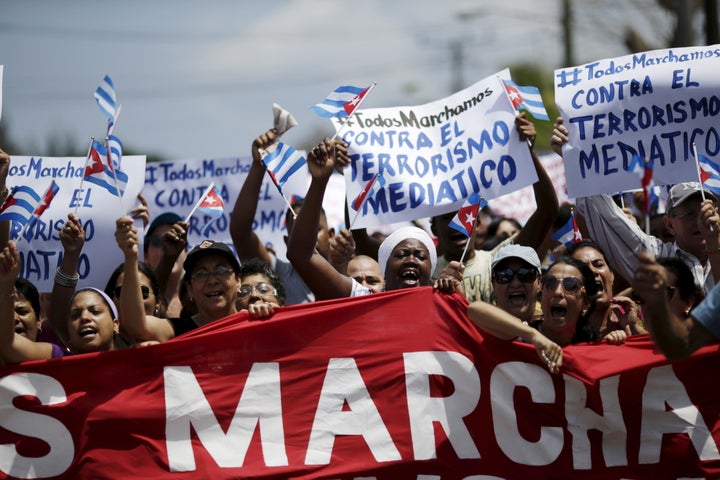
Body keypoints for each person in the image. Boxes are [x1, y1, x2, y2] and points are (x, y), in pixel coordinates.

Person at [553, 117, 720, 295]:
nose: (701, 220)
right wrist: (574, 160)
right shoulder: (656, 258)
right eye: (689, 214)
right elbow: (604, 212)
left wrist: (714, 243)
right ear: (670, 224)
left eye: (706, 211)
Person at [286, 138, 459, 298]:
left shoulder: (442, 296)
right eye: (401, 255)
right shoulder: (364, 297)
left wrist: (455, 294)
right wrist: (319, 180)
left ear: (432, 270)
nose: (411, 260)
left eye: (421, 256)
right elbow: (301, 255)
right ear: (383, 267)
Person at [430, 113, 559, 303]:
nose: (456, 224)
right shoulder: (424, 273)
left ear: (479, 223)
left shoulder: (498, 260)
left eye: (464, 214)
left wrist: (528, 153)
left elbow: (547, 211)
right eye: (447, 218)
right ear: (434, 228)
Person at [230, 128, 332, 305]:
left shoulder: (348, 269)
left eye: (315, 230)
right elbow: (241, 233)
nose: (307, 237)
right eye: (298, 232)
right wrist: (258, 165)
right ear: (287, 242)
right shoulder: (278, 275)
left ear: (331, 235)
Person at [468, 256, 614, 374]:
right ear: (541, 292)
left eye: (570, 285)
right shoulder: (522, 335)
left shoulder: (594, 346)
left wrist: (618, 342)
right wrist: (533, 336)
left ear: (586, 303)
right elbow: (474, 310)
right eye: (550, 283)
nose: (557, 292)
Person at [0, 242, 121, 363]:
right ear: (69, 334)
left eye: (95, 311)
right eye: (75, 315)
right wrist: (7, 284)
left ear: (115, 324)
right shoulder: (57, 358)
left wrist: (130, 256)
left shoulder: (136, 356)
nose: (84, 318)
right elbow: (9, 345)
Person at [631, 252, 713, 359]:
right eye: (642, 295)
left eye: (662, 292)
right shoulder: (625, 344)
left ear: (688, 302)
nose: (650, 301)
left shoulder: (710, 343)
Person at [566, 239, 646, 338]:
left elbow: (659, 351)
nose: (592, 271)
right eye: (583, 269)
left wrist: (635, 328)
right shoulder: (564, 329)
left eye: (598, 265)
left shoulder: (643, 317)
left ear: (612, 275)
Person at [490, 244, 542, 324]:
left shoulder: (554, 330)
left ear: (539, 282)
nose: (516, 283)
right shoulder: (479, 331)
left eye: (525, 274)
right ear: (493, 284)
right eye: (505, 275)